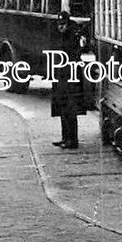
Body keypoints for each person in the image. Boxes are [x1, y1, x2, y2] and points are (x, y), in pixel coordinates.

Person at [50, 10, 87, 149]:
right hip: (62, 75)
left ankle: (72, 139)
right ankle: (65, 137)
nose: (61, 27)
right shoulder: (64, 35)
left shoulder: (73, 36)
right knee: (62, 107)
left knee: (70, 108)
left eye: (63, 24)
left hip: (70, 77)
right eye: (59, 24)